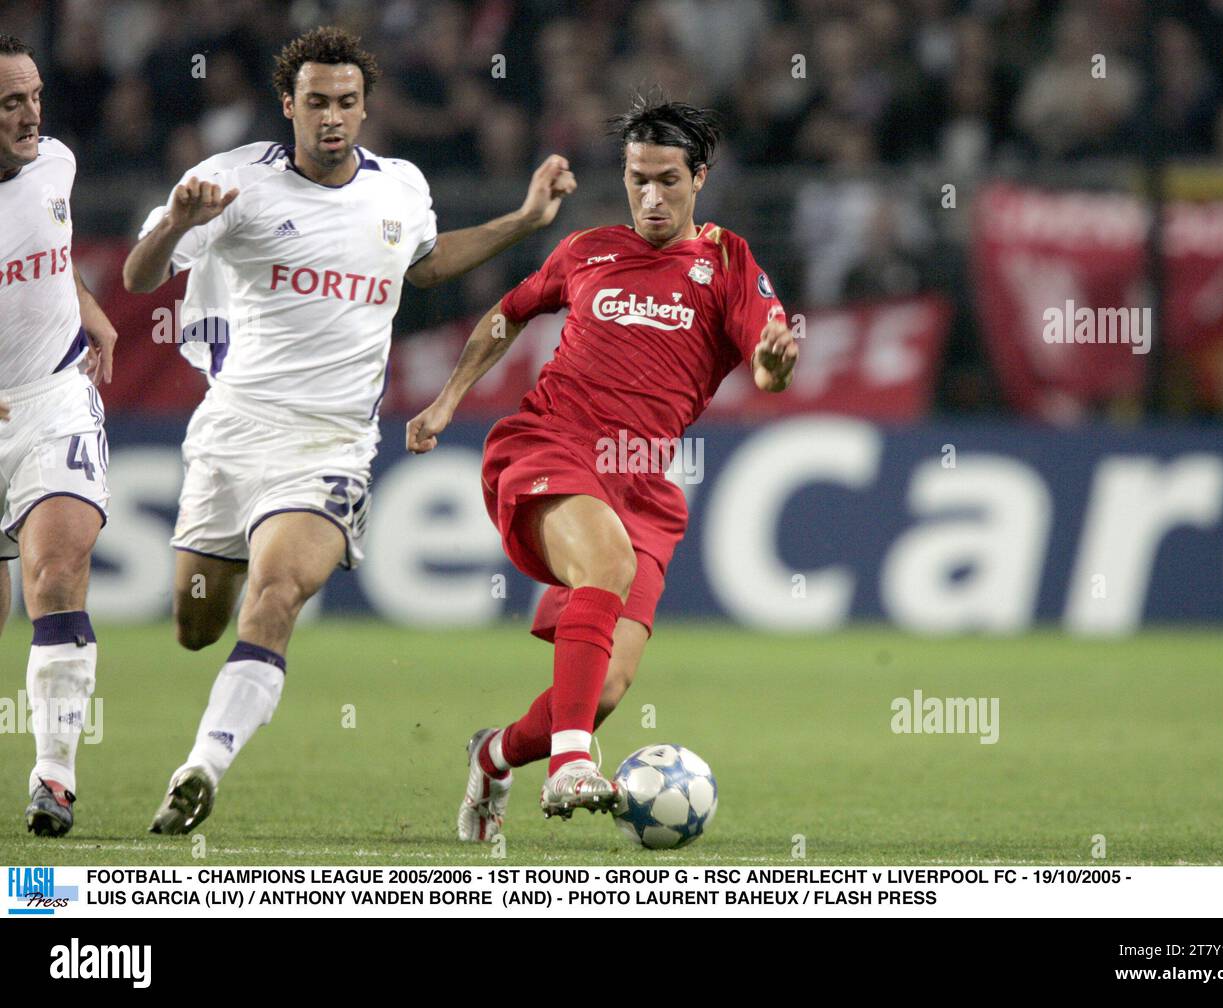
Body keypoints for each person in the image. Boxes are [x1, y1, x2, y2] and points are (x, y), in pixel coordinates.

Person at [122, 26, 575, 834]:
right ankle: (209, 720)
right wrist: (169, 227)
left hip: (331, 444)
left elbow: (425, 263)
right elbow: (139, 276)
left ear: (365, 108)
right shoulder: (230, 184)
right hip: (231, 432)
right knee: (195, 625)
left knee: (278, 595)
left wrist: (524, 219)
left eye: (348, 103)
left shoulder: (399, 186)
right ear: (287, 105)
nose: (332, 118)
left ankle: (201, 767)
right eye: (317, 103)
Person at [406, 96, 799, 839]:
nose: (651, 197)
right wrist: (446, 401)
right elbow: (508, 313)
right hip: (550, 445)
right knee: (606, 568)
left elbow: (768, 360)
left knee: (604, 687)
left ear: (700, 178)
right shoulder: (587, 251)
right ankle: (570, 766)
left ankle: (493, 755)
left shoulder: (727, 262)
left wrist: (775, 366)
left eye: (668, 181)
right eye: (637, 178)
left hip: (643, 484)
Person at [0, 34, 119, 837]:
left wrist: (92, 311)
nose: (31, 114)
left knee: (55, 571)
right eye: (11, 102)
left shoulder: (57, 165)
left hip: (53, 401)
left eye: (35, 95)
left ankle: (55, 777)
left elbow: (49, 255)